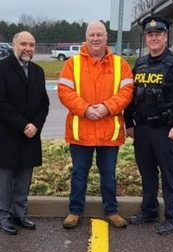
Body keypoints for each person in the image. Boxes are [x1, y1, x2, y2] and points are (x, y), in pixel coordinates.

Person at [57, 20, 134, 229]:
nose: (96, 38)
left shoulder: (121, 64)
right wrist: (85, 109)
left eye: (99, 34)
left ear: (106, 37)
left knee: (108, 175)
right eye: (92, 35)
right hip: (81, 130)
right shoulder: (72, 64)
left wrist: (107, 107)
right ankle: (74, 211)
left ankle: (111, 211)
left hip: (109, 131)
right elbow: (65, 92)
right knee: (79, 173)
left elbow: (126, 93)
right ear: (86, 37)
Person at [125, 16, 173, 235]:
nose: (154, 38)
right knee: (147, 173)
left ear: (165, 36)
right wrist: (128, 123)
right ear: (146, 37)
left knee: (169, 174)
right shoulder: (141, 63)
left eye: (158, 34)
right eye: (150, 34)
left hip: (167, 129)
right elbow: (131, 95)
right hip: (143, 129)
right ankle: (149, 210)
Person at [0, 31, 49, 235]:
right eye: (24, 44)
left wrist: (35, 125)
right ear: (14, 45)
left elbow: (44, 103)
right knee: (4, 178)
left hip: (30, 135)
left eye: (31, 44)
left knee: (24, 176)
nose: (28, 48)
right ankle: (4, 215)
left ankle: (20, 214)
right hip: (6, 134)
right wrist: (23, 125)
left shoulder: (38, 71)